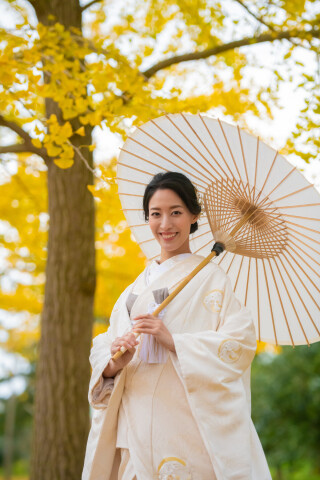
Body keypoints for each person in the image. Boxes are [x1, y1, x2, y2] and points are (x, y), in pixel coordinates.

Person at [82, 172, 272, 480]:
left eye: (176, 212)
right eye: (156, 214)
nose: (165, 224)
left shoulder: (212, 280)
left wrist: (174, 341)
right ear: (147, 217)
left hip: (184, 429)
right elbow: (102, 344)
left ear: (194, 215)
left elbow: (240, 344)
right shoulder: (133, 288)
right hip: (133, 424)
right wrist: (113, 362)